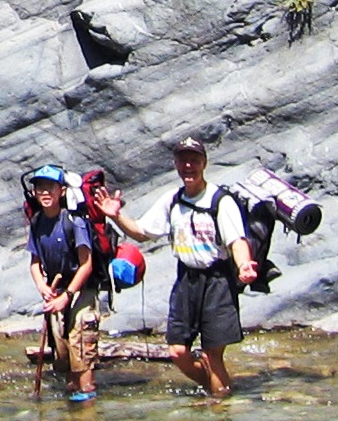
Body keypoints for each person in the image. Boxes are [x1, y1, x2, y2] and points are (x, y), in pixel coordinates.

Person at [99, 137, 258, 397]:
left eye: (194, 161)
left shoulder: (220, 200)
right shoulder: (171, 200)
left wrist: (243, 266)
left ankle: (219, 409)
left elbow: (237, 241)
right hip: (186, 279)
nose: (188, 166)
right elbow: (141, 232)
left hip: (217, 281)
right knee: (177, 351)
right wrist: (115, 215)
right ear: (175, 164)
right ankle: (215, 390)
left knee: (213, 352)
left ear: (204, 163)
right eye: (183, 161)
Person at [25, 164, 99, 402]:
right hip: (55, 289)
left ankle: (86, 403)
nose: (45, 192)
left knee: (81, 349)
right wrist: (42, 287)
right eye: (40, 188)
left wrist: (66, 295)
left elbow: (86, 264)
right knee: (63, 353)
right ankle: (72, 405)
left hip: (80, 290)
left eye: (50, 187)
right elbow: (35, 262)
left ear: (62, 191)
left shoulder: (73, 222)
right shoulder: (37, 223)